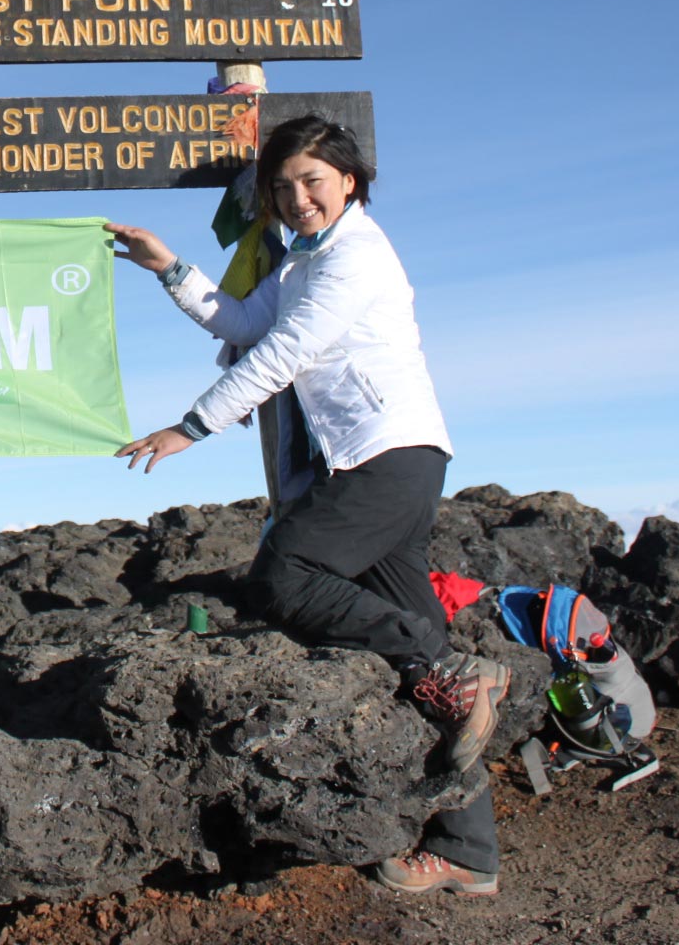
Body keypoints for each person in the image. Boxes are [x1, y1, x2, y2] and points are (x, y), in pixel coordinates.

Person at [109, 115, 509, 898]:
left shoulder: (358, 255)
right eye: (284, 186)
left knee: (283, 573)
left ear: (349, 182)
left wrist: (192, 426)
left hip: (388, 454)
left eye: (313, 182)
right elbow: (242, 321)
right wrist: (169, 268)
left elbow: (284, 353)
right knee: (420, 645)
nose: (298, 199)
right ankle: (468, 850)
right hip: (373, 462)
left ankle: (451, 673)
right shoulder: (302, 259)